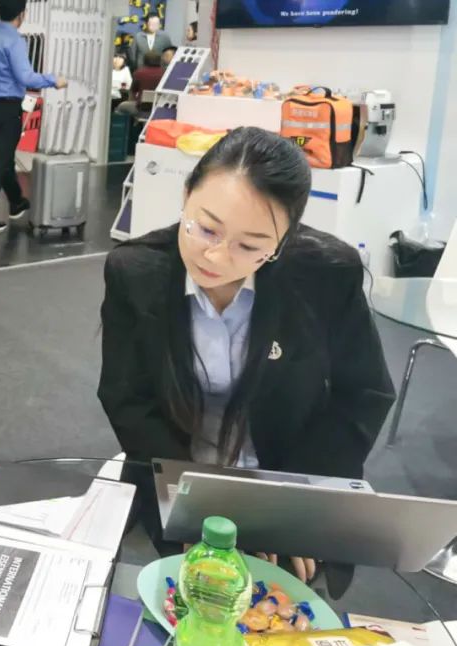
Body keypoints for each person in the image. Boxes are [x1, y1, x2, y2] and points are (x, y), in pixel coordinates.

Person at [98, 127, 395, 582]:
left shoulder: (325, 275)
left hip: (288, 481)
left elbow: (363, 395)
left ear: (283, 240)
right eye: (206, 228)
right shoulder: (136, 272)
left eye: (250, 245)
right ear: (186, 195)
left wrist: (291, 505)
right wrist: (192, 503)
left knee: (285, 608)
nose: (216, 257)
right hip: (179, 478)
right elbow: (128, 399)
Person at [0, 0, 66, 234]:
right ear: (22, 14)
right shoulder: (15, 41)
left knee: (3, 158)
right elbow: (26, 77)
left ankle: (16, 202)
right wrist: (54, 80)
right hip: (6, 109)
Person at [116, 50, 162, 118]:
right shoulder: (165, 73)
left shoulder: (139, 73)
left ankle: (129, 124)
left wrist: (133, 100)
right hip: (160, 108)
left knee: (120, 107)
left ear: (145, 60)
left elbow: (132, 91)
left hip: (142, 108)